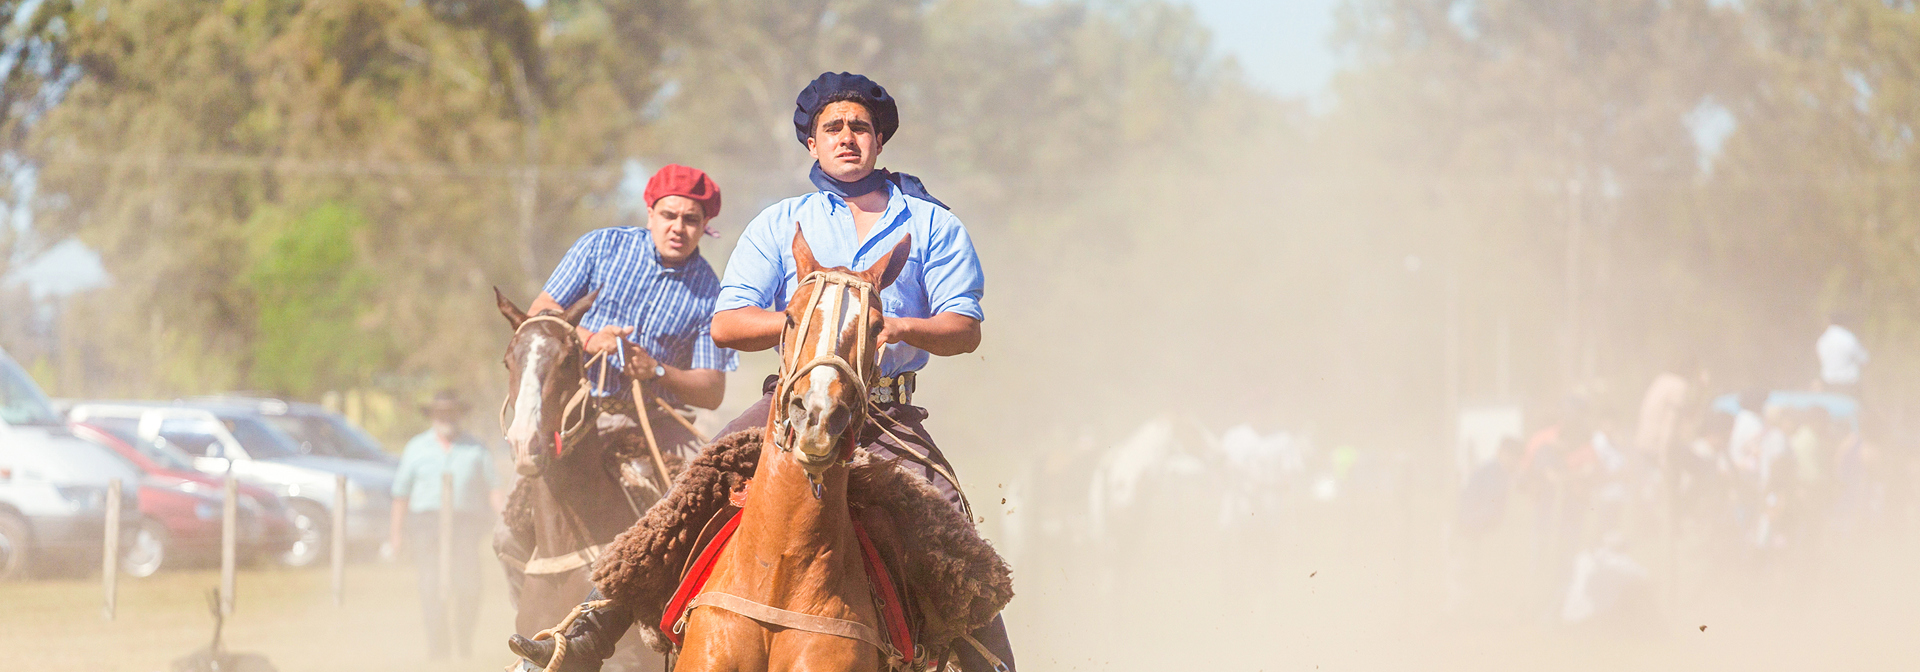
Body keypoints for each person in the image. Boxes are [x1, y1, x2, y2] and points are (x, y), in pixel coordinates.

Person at [517, 72, 1013, 672]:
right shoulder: (781, 223)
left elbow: (965, 326)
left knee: (946, 521)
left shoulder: (934, 224)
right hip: (790, 401)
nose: (847, 137)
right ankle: (589, 634)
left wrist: (900, 328)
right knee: (688, 491)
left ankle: (991, 660)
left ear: (880, 139)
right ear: (812, 142)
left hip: (885, 409)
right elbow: (727, 324)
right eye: (833, 127)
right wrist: (806, 320)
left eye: (861, 126)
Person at [527, 163, 739, 449]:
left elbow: (712, 392)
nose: (678, 227)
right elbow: (540, 311)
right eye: (668, 215)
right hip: (570, 412)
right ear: (650, 216)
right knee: (527, 485)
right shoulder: (600, 247)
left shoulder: (712, 295)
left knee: (695, 491)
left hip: (653, 431)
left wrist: (656, 370)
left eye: (690, 219)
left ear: (704, 227)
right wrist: (590, 340)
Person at [390, 390, 502, 660]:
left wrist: (504, 521)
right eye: (441, 413)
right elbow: (401, 494)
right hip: (426, 526)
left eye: (451, 412)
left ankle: (464, 642)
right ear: (432, 416)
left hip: (465, 526)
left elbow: (494, 489)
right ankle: (438, 650)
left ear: (459, 414)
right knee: (430, 588)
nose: (446, 418)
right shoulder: (416, 448)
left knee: (469, 587)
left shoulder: (476, 448)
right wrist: (395, 535)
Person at [1816, 317, 1868, 397]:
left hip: (1828, 384)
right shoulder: (1848, 338)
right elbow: (1864, 359)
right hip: (1848, 384)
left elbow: (1820, 360)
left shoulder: (1822, 340)